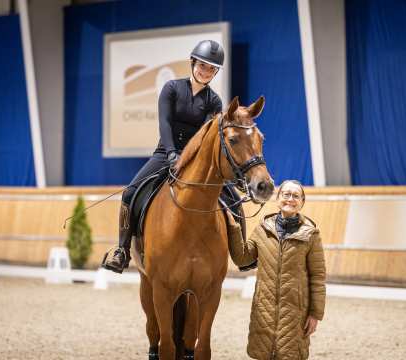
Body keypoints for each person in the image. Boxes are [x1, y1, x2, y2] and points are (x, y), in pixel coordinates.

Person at [103, 40, 227, 273]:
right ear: (193, 62)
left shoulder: (214, 101)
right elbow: (165, 123)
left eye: (212, 68)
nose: (206, 71)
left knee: (230, 199)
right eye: (202, 65)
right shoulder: (171, 88)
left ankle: (240, 252)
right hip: (166, 153)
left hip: (197, 159)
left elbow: (207, 135)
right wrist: (171, 153)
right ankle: (122, 250)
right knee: (130, 192)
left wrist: (191, 158)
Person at [228, 180, 326, 360]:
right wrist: (234, 228)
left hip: (295, 314)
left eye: (296, 196)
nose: (290, 199)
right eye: (286, 194)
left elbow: (318, 277)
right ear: (278, 198)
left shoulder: (311, 235)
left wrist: (315, 314)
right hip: (263, 312)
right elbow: (242, 258)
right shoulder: (262, 229)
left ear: (302, 202)